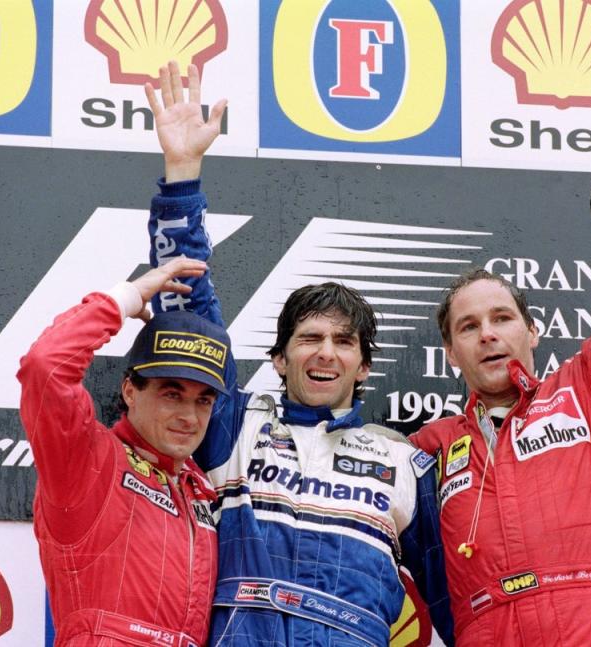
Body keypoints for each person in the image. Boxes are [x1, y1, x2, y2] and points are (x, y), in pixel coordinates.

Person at [141, 61, 454, 646]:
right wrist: (182, 174)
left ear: (364, 366)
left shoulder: (408, 468)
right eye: (308, 338)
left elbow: (462, 609)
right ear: (280, 358)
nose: (325, 353)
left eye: (343, 342)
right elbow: (188, 314)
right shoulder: (233, 423)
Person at [408, 64, 591, 645]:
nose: (488, 334)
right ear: (450, 353)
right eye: (469, 326)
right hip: (487, 630)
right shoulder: (427, 449)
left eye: (502, 318)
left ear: (532, 332)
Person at [18, 257, 227, 646]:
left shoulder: (201, 488)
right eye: (171, 393)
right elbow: (45, 367)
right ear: (130, 390)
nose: (188, 416)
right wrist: (124, 299)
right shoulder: (88, 461)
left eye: (204, 400)